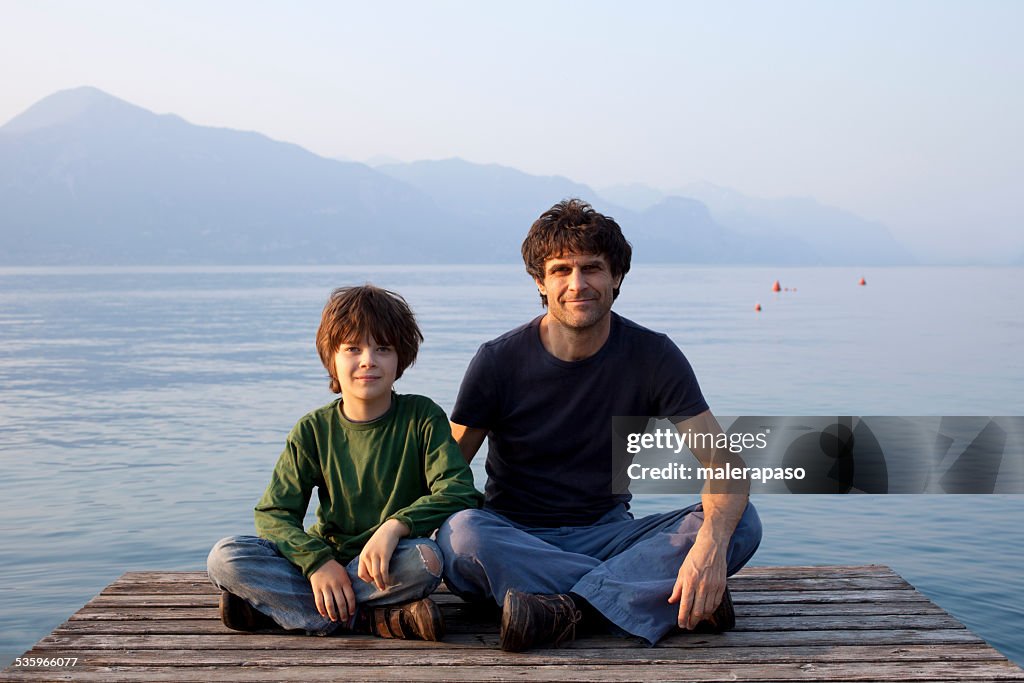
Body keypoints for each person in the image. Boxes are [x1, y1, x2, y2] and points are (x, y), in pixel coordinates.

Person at [436, 198, 762, 651]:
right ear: (539, 281)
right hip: (516, 536)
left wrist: (708, 547)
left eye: (591, 268)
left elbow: (724, 464)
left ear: (616, 277)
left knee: (740, 522)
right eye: (560, 270)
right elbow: (444, 474)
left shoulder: (653, 356)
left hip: (610, 535)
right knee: (463, 538)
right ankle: (645, 598)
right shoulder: (498, 361)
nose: (577, 284)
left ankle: (561, 610)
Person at [207, 285, 483, 640]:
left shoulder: (421, 416)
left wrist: (395, 526)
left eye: (382, 348)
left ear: (400, 358)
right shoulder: (313, 430)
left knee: (427, 560)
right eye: (353, 348)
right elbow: (274, 514)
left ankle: (284, 610)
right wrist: (317, 563)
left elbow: (459, 491)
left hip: (389, 562)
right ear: (332, 358)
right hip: (326, 561)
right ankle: (369, 619)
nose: (368, 359)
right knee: (225, 557)